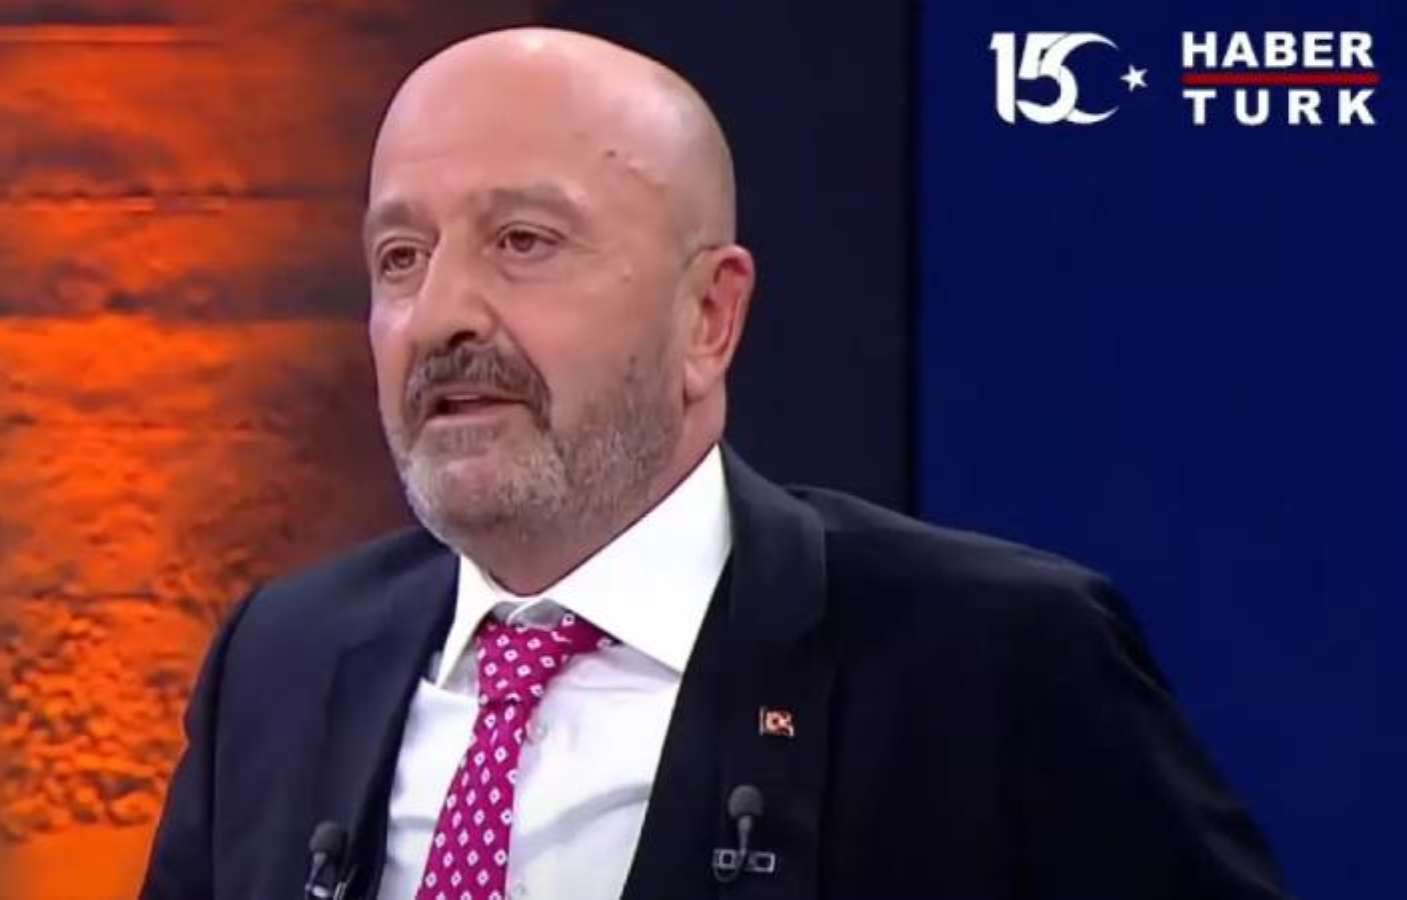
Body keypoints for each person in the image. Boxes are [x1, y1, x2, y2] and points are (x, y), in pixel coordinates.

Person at [140, 26, 1290, 900]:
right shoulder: (281, 663)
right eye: (400, 257)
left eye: (522, 242)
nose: (440, 315)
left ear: (707, 318)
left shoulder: (994, 661)